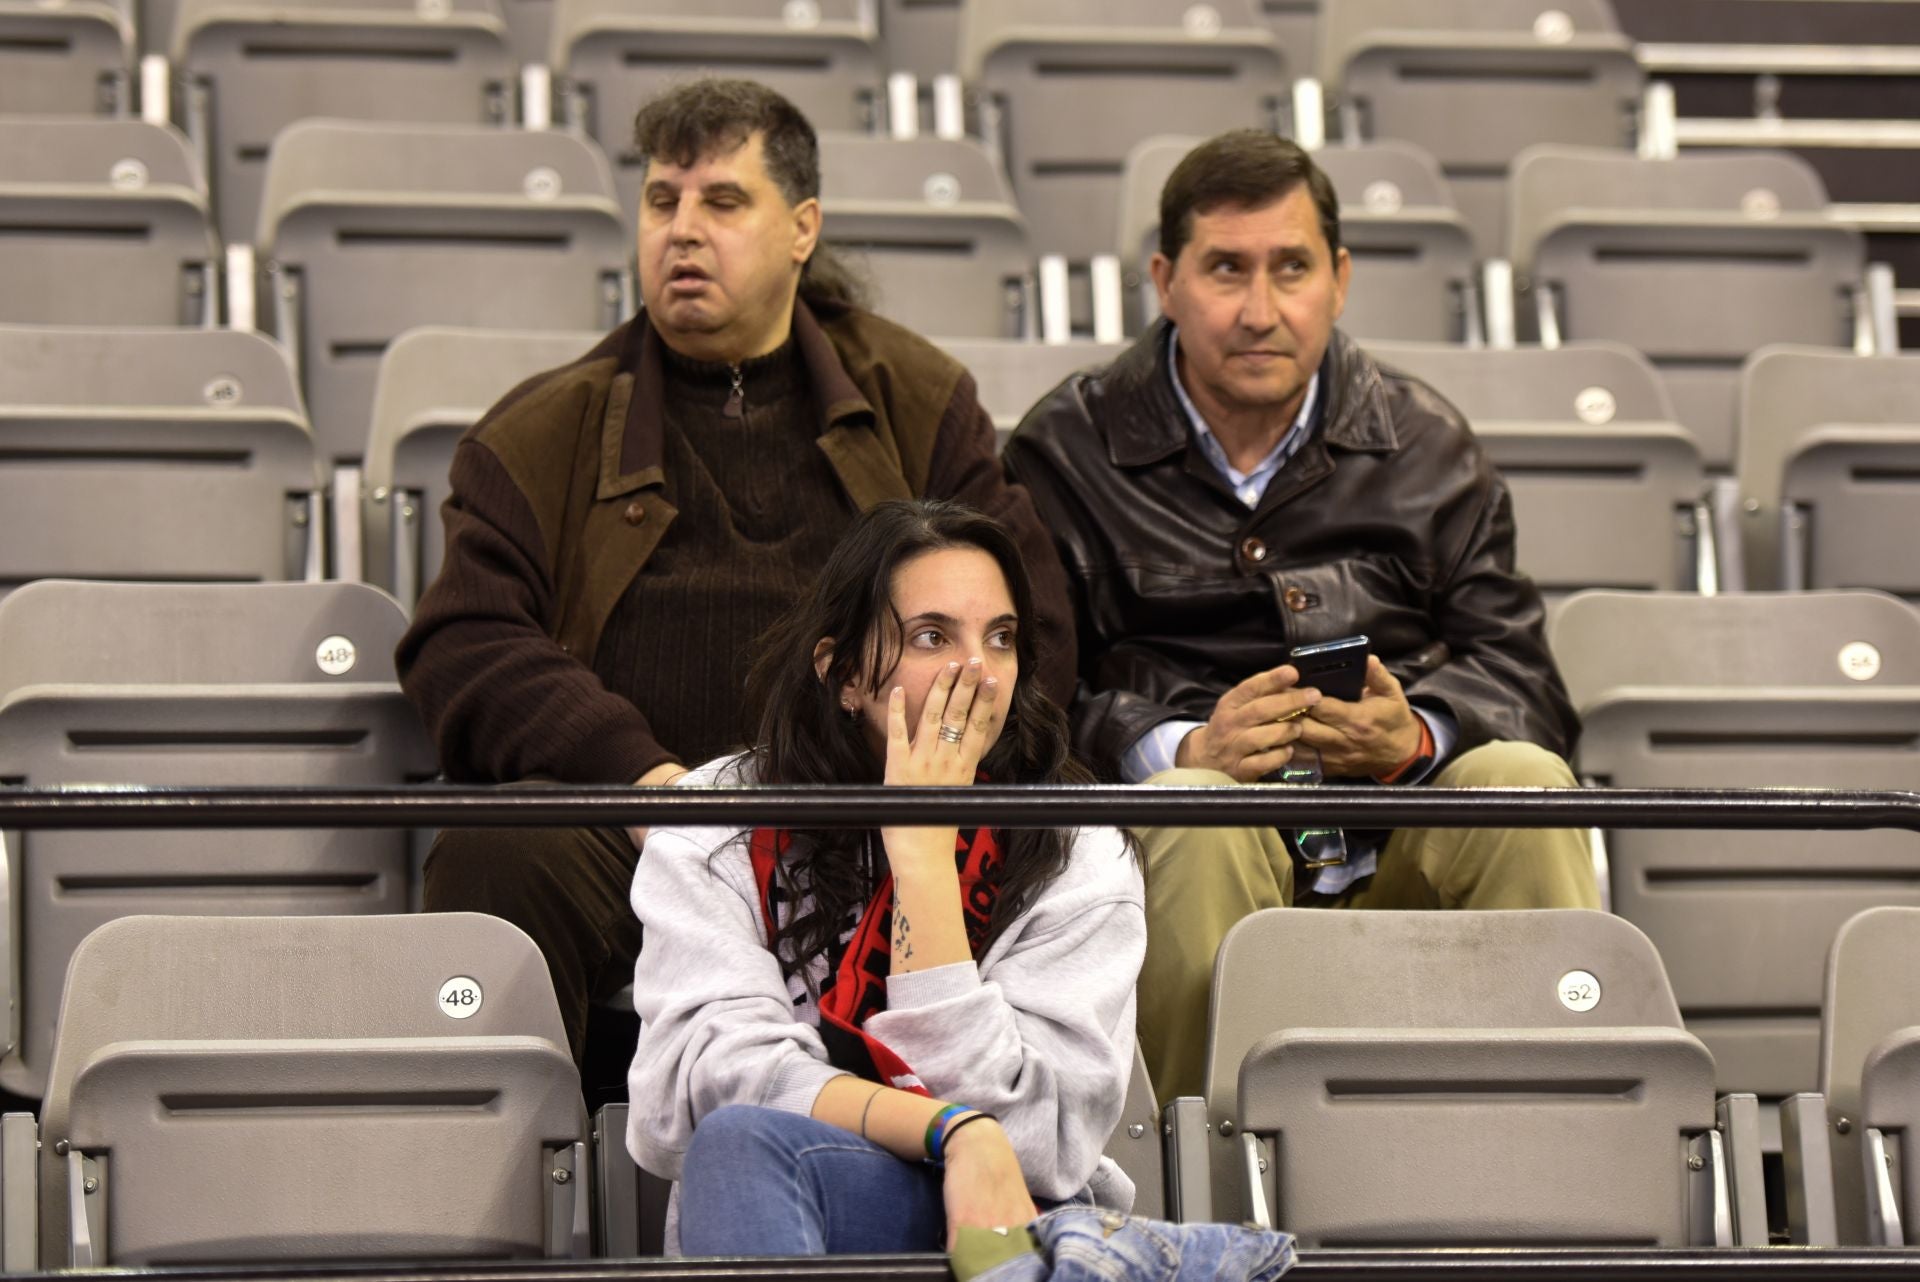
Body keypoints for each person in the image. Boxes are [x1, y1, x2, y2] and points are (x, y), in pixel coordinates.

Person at [396, 79, 1074, 1066]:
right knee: (500, 846)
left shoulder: (920, 403)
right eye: (661, 201)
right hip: (638, 833)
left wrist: (908, 789)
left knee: (1075, 814)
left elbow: (1034, 621)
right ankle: (499, 1175)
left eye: (722, 202)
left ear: (802, 228)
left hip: (874, 815)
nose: (682, 230)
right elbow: (464, 642)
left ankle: (1016, 1147)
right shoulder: (541, 431)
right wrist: (650, 789)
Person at [1000, 130, 1596, 1104]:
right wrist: (1178, 747)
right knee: (1199, 812)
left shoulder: (1429, 446)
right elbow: (1028, 695)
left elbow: (1525, 678)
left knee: (1525, 783)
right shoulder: (1067, 450)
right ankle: (1199, 1196)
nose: (1259, 310)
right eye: (1226, 270)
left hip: (1395, 831)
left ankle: (1548, 1163)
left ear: (1340, 279)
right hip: (1183, 839)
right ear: (1165, 279)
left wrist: (1414, 737)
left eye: (1291, 269)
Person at [626, 499, 1144, 1255]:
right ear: (843, 675)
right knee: (741, 1144)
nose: (978, 672)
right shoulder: (716, 818)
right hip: (796, 1197)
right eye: (933, 636)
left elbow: (1046, 1133)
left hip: (1013, 1224)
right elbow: (704, 1088)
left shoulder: (1076, 840)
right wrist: (948, 1130)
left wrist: (924, 856)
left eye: (1000, 640)